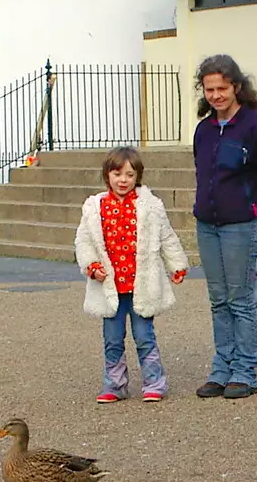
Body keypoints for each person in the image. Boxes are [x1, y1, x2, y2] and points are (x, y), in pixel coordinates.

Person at [190, 55, 257, 400]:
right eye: (209, 89)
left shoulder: (255, 128)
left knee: (240, 299)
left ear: (236, 87)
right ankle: (222, 368)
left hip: (240, 225)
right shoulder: (203, 130)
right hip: (207, 225)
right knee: (218, 300)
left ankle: (245, 371)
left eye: (222, 88)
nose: (216, 95)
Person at [74, 147, 189, 404]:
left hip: (141, 285)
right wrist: (92, 265)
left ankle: (154, 382)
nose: (123, 180)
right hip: (109, 286)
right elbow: (84, 241)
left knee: (144, 336)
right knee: (112, 339)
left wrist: (177, 265)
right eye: (117, 174)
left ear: (138, 176)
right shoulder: (95, 207)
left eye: (129, 174)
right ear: (107, 176)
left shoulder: (151, 206)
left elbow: (167, 237)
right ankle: (115, 385)